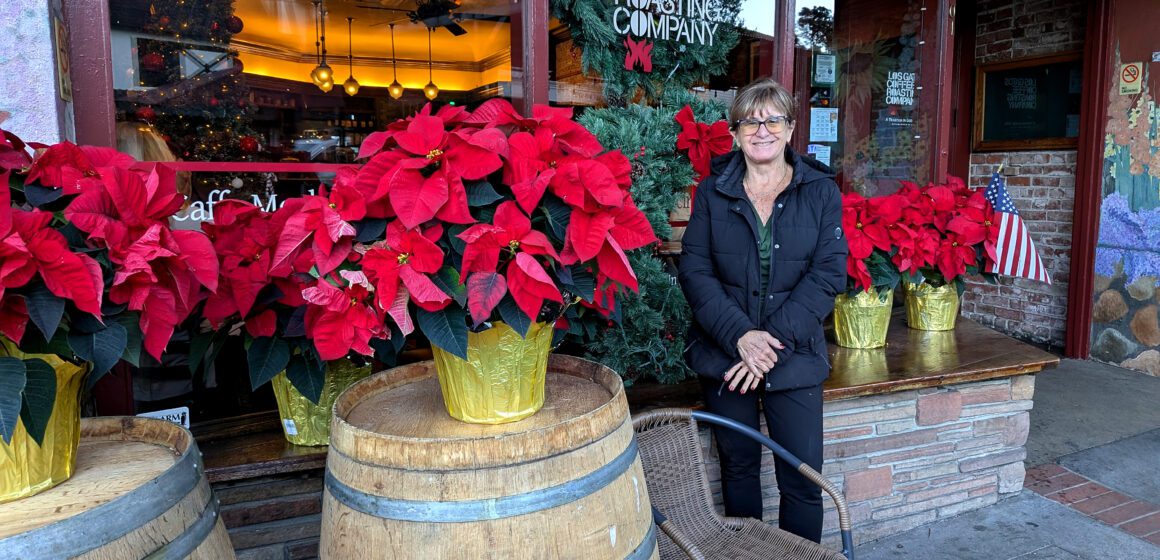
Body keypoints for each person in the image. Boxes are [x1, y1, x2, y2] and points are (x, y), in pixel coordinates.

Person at [677, 78, 847, 542]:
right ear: (734, 133)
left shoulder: (820, 193)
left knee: (803, 480)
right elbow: (695, 271)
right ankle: (748, 556)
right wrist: (740, 338)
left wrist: (766, 345)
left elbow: (828, 274)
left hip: (793, 356)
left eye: (773, 118)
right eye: (749, 120)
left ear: (791, 128)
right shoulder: (713, 192)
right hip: (727, 357)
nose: (761, 129)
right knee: (738, 470)